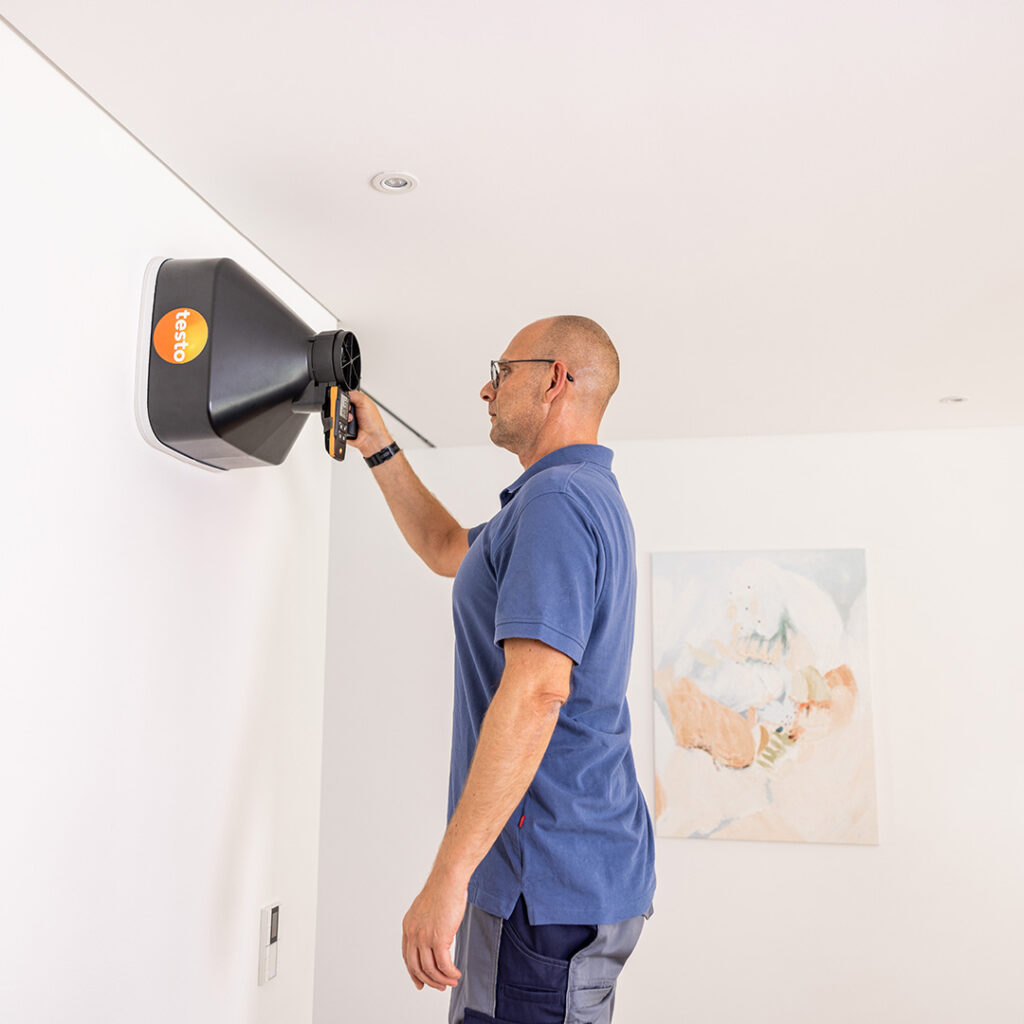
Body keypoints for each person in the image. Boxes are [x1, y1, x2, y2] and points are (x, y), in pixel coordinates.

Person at [347, 315, 655, 1024]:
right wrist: (379, 446)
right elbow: (446, 545)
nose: (485, 388)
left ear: (555, 380)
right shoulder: (566, 499)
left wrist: (447, 880)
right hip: (564, 875)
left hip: (540, 885)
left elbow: (540, 690)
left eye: (503, 371)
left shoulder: (558, 502)